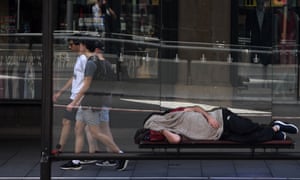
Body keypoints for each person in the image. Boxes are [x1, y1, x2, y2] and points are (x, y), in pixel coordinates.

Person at [60, 37, 128, 171]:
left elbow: (86, 85)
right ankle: (76, 160)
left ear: (85, 46)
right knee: (78, 129)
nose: (78, 47)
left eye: (80, 45)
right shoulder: (99, 61)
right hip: (88, 102)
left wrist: (73, 102)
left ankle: (120, 154)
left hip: (90, 102)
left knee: (95, 132)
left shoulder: (91, 63)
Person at [138, 106, 298, 144]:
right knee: (250, 139)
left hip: (220, 118)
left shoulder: (174, 113)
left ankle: (275, 126)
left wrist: (208, 117)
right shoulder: (166, 129)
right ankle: (276, 129)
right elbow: (175, 140)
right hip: (218, 134)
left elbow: (195, 108)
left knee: (248, 128)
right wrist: (163, 129)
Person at [53, 36, 99, 165]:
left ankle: (64, 151)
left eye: (71, 44)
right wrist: (61, 92)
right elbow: (74, 77)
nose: (70, 47)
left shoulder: (85, 59)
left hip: (79, 97)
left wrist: (77, 100)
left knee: (77, 126)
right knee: (84, 127)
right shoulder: (80, 58)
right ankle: (93, 152)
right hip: (76, 96)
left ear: (80, 45)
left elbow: (87, 81)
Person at [245, 0, 272, 66]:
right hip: (254, 43)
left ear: (264, 4)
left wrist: (270, 44)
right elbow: (247, 29)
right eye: (259, 3)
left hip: (265, 44)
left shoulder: (269, 14)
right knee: (254, 65)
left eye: (262, 3)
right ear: (256, 3)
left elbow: (271, 30)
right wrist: (248, 43)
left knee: (265, 65)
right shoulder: (251, 14)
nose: (260, 5)